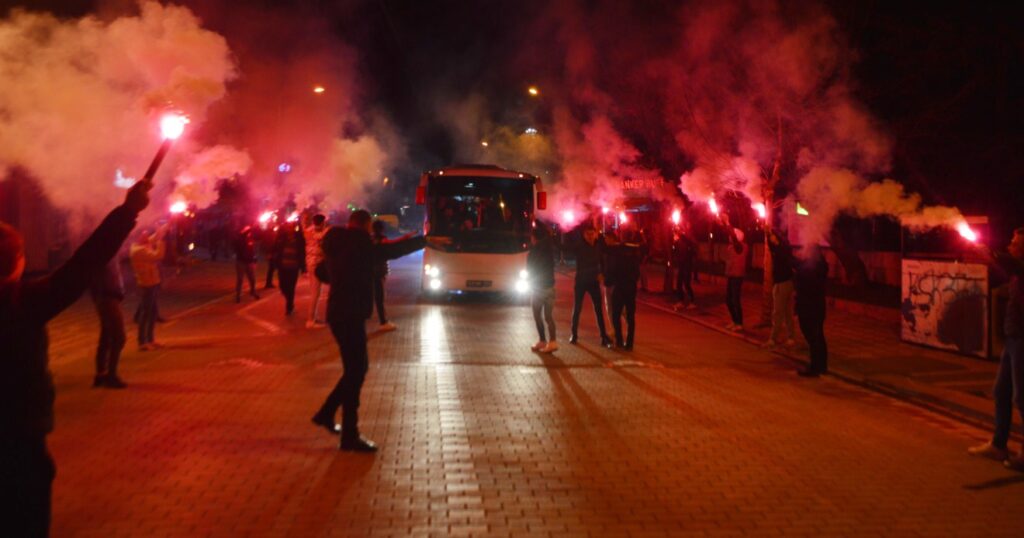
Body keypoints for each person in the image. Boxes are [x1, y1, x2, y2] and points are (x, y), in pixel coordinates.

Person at [0, 179, 149, 536]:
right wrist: (128, 210)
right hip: (22, 444)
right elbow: (85, 262)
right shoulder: (25, 303)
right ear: (18, 263)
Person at [311, 210, 430, 452]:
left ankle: (326, 414)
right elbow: (390, 252)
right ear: (365, 226)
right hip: (351, 314)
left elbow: (320, 271)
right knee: (356, 371)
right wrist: (424, 240)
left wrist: (339, 275)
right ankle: (349, 436)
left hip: (338, 314)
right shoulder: (361, 246)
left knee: (355, 369)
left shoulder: (336, 245)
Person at [968, 228, 1024, 469]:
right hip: (1013, 338)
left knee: (1022, 398)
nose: (1010, 244)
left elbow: (1010, 262)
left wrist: (989, 251)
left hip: (1023, 339)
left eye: (1015, 242)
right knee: (1001, 392)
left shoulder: (1020, 268)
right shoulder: (1016, 272)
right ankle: (998, 445)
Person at [569, 224, 613, 347]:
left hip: (594, 282)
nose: (590, 236)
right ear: (584, 235)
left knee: (599, 310)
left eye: (592, 234)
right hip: (581, 282)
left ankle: (603, 337)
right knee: (577, 308)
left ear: (595, 234)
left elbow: (603, 259)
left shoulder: (598, 246)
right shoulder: (580, 246)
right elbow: (565, 247)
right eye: (588, 234)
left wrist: (602, 274)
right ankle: (574, 335)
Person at [90, 259, 127, 388]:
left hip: (109, 297)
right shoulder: (102, 257)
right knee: (119, 337)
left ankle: (101, 374)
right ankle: (111, 375)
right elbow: (96, 280)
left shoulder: (110, 256)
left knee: (106, 337)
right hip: (108, 298)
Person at [605, 228, 644, 350]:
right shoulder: (635, 250)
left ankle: (620, 342)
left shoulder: (618, 249)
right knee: (630, 316)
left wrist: (609, 280)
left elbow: (612, 264)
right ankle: (629, 344)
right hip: (631, 286)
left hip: (620, 285)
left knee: (616, 314)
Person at [130, 225, 167, 351]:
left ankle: (151, 340)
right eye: (144, 235)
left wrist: (165, 225)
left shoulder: (143, 245)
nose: (147, 236)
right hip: (147, 284)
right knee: (146, 314)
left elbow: (155, 236)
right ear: (138, 237)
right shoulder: (138, 250)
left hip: (152, 282)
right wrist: (161, 241)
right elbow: (158, 255)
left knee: (152, 314)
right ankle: (142, 342)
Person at [371, 220, 413, 332]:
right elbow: (394, 243)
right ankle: (383, 321)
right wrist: (406, 238)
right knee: (380, 297)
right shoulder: (382, 239)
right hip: (379, 271)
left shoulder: (370, 239)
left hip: (369, 271)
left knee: (373, 295)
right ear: (382, 229)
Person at [794, 246, 829, 377]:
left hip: (810, 306)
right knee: (817, 335)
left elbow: (799, 268)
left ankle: (816, 367)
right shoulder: (817, 266)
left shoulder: (813, 268)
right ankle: (821, 365)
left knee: (814, 336)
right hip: (815, 306)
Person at [528, 222, 558, 353]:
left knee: (537, 314)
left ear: (534, 238)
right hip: (550, 286)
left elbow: (530, 269)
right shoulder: (549, 249)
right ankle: (553, 342)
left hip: (538, 288)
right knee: (549, 316)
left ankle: (542, 340)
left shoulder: (533, 252)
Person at [765, 227, 796, 348]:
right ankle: (791, 337)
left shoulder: (781, 250)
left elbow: (775, 247)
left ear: (777, 237)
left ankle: (773, 338)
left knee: (778, 312)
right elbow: (772, 246)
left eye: (773, 236)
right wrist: (768, 234)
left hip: (782, 284)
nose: (771, 239)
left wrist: (770, 233)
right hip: (786, 283)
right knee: (788, 313)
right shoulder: (782, 249)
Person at [272, 223, 306, 316]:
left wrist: (303, 268)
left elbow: (302, 253)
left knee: (291, 287)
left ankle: (289, 307)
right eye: (288, 227)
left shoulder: (299, 238)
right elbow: (275, 249)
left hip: (293, 267)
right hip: (282, 266)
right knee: (282, 287)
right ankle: (289, 301)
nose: (289, 229)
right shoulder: (281, 238)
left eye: (291, 227)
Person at [304, 214, 329, 328]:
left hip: (309, 263)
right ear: (321, 223)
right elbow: (321, 236)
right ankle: (310, 320)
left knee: (314, 292)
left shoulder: (308, 231)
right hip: (316, 265)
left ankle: (313, 317)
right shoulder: (320, 234)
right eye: (324, 222)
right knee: (315, 293)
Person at [723, 226, 749, 331]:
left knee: (735, 300)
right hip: (731, 275)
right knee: (728, 300)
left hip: (737, 277)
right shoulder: (732, 247)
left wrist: (727, 224)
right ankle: (735, 321)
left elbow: (736, 244)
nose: (729, 237)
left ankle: (739, 323)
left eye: (731, 236)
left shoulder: (741, 247)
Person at [233, 225, 260, 303]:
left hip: (249, 261)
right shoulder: (239, 238)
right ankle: (238, 295)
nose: (249, 232)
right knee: (240, 279)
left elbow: (252, 250)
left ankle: (253, 291)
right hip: (241, 261)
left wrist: (254, 258)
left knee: (252, 278)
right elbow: (237, 247)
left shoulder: (249, 238)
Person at [671, 231, 697, 310]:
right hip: (681, 265)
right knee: (679, 284)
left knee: (686, 284)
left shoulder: (688, 243)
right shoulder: (678, 243)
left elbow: (692, 252)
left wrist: (680, 232)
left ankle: (692, 302)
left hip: (687, 266)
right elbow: (674, 250)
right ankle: (680, 301)